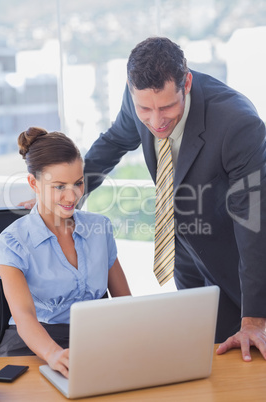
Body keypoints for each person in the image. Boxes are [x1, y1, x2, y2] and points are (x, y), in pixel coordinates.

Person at [19, 37, 266, 362]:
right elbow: (114, 142)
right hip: (189, 256)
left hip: (242, 264)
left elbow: (253, 224)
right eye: (144, 109)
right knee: (206, 358)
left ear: (186, 83)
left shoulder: (237, 124)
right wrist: (66, 197)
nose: (155, 120)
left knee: (248, 361)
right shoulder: (139, 97)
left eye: (166, 107)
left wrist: (255, 318)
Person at [0, 127, 131, 378]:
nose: (72, 196)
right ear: (33, 184)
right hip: (33, 344)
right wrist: (53, 354)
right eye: (59, 186)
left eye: (78, 183)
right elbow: (24, 316)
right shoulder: (12, 241)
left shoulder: (99, 228)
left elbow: (125, 302)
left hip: (94, 340)